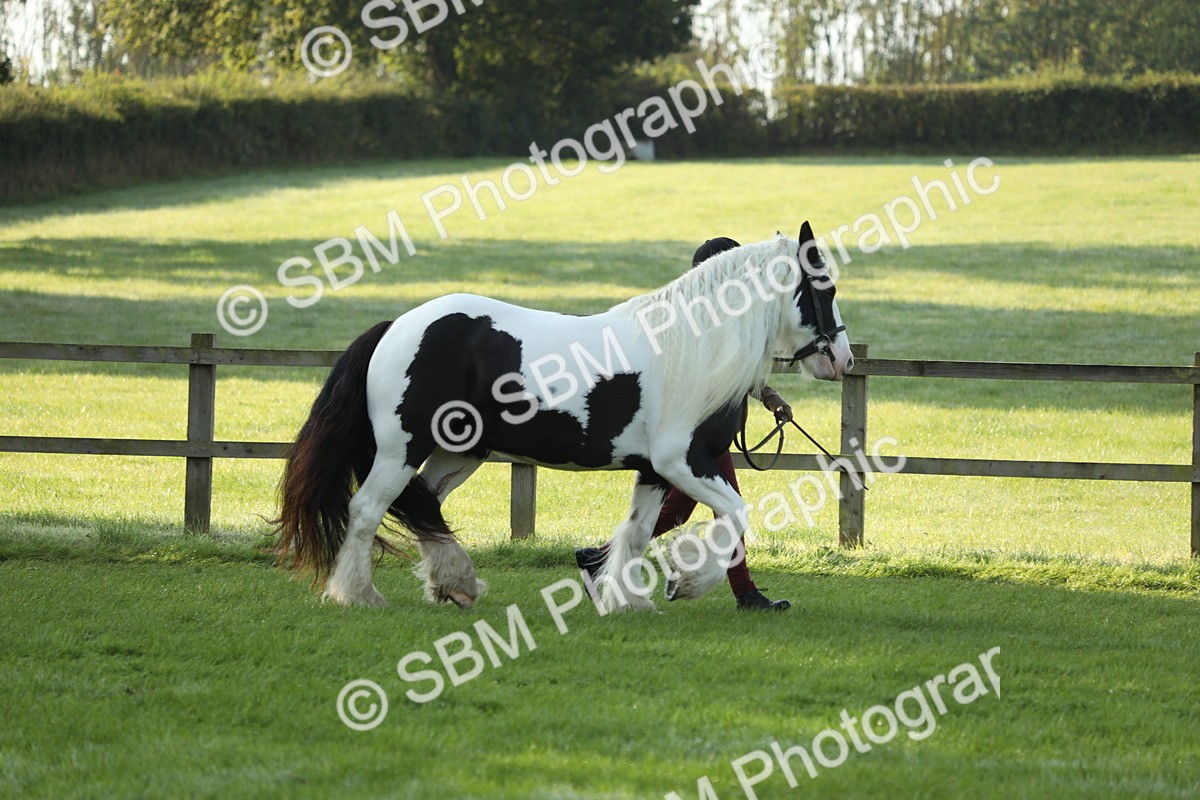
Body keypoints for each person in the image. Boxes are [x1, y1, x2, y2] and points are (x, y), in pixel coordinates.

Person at [574, 237, 793, 611]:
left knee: (691, 510)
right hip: (694, 436)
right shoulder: (697, 325)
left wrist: (770, 397)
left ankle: (602, 558)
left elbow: (740, 372)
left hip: (707, 435)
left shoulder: (724, 320)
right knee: (725, 509)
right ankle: (745, 594)